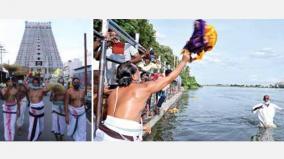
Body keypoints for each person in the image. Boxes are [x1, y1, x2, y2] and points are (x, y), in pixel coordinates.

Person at [95, 51, 191, 141]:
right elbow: (169, 78)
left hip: (102, 134)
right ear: (133, 76)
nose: (140, 73)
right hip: (123, 138)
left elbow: (119, 119)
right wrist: (183, 61)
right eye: (137, 71)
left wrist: (141, 127)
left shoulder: (113, 92)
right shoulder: (143, 88)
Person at [27, 77, 49, 141]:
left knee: (41, 127)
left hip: (40, 108)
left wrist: (46, 82)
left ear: (39, 83)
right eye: (34, 82)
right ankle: (32, 138)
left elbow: (47, 89)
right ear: (32, 83)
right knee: (33, 125)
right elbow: (23, 86)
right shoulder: (29, 89)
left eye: (37, 82)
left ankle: (37, 136)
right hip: (33, 108)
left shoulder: (41, 89)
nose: (35, 83)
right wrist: (26, 78)